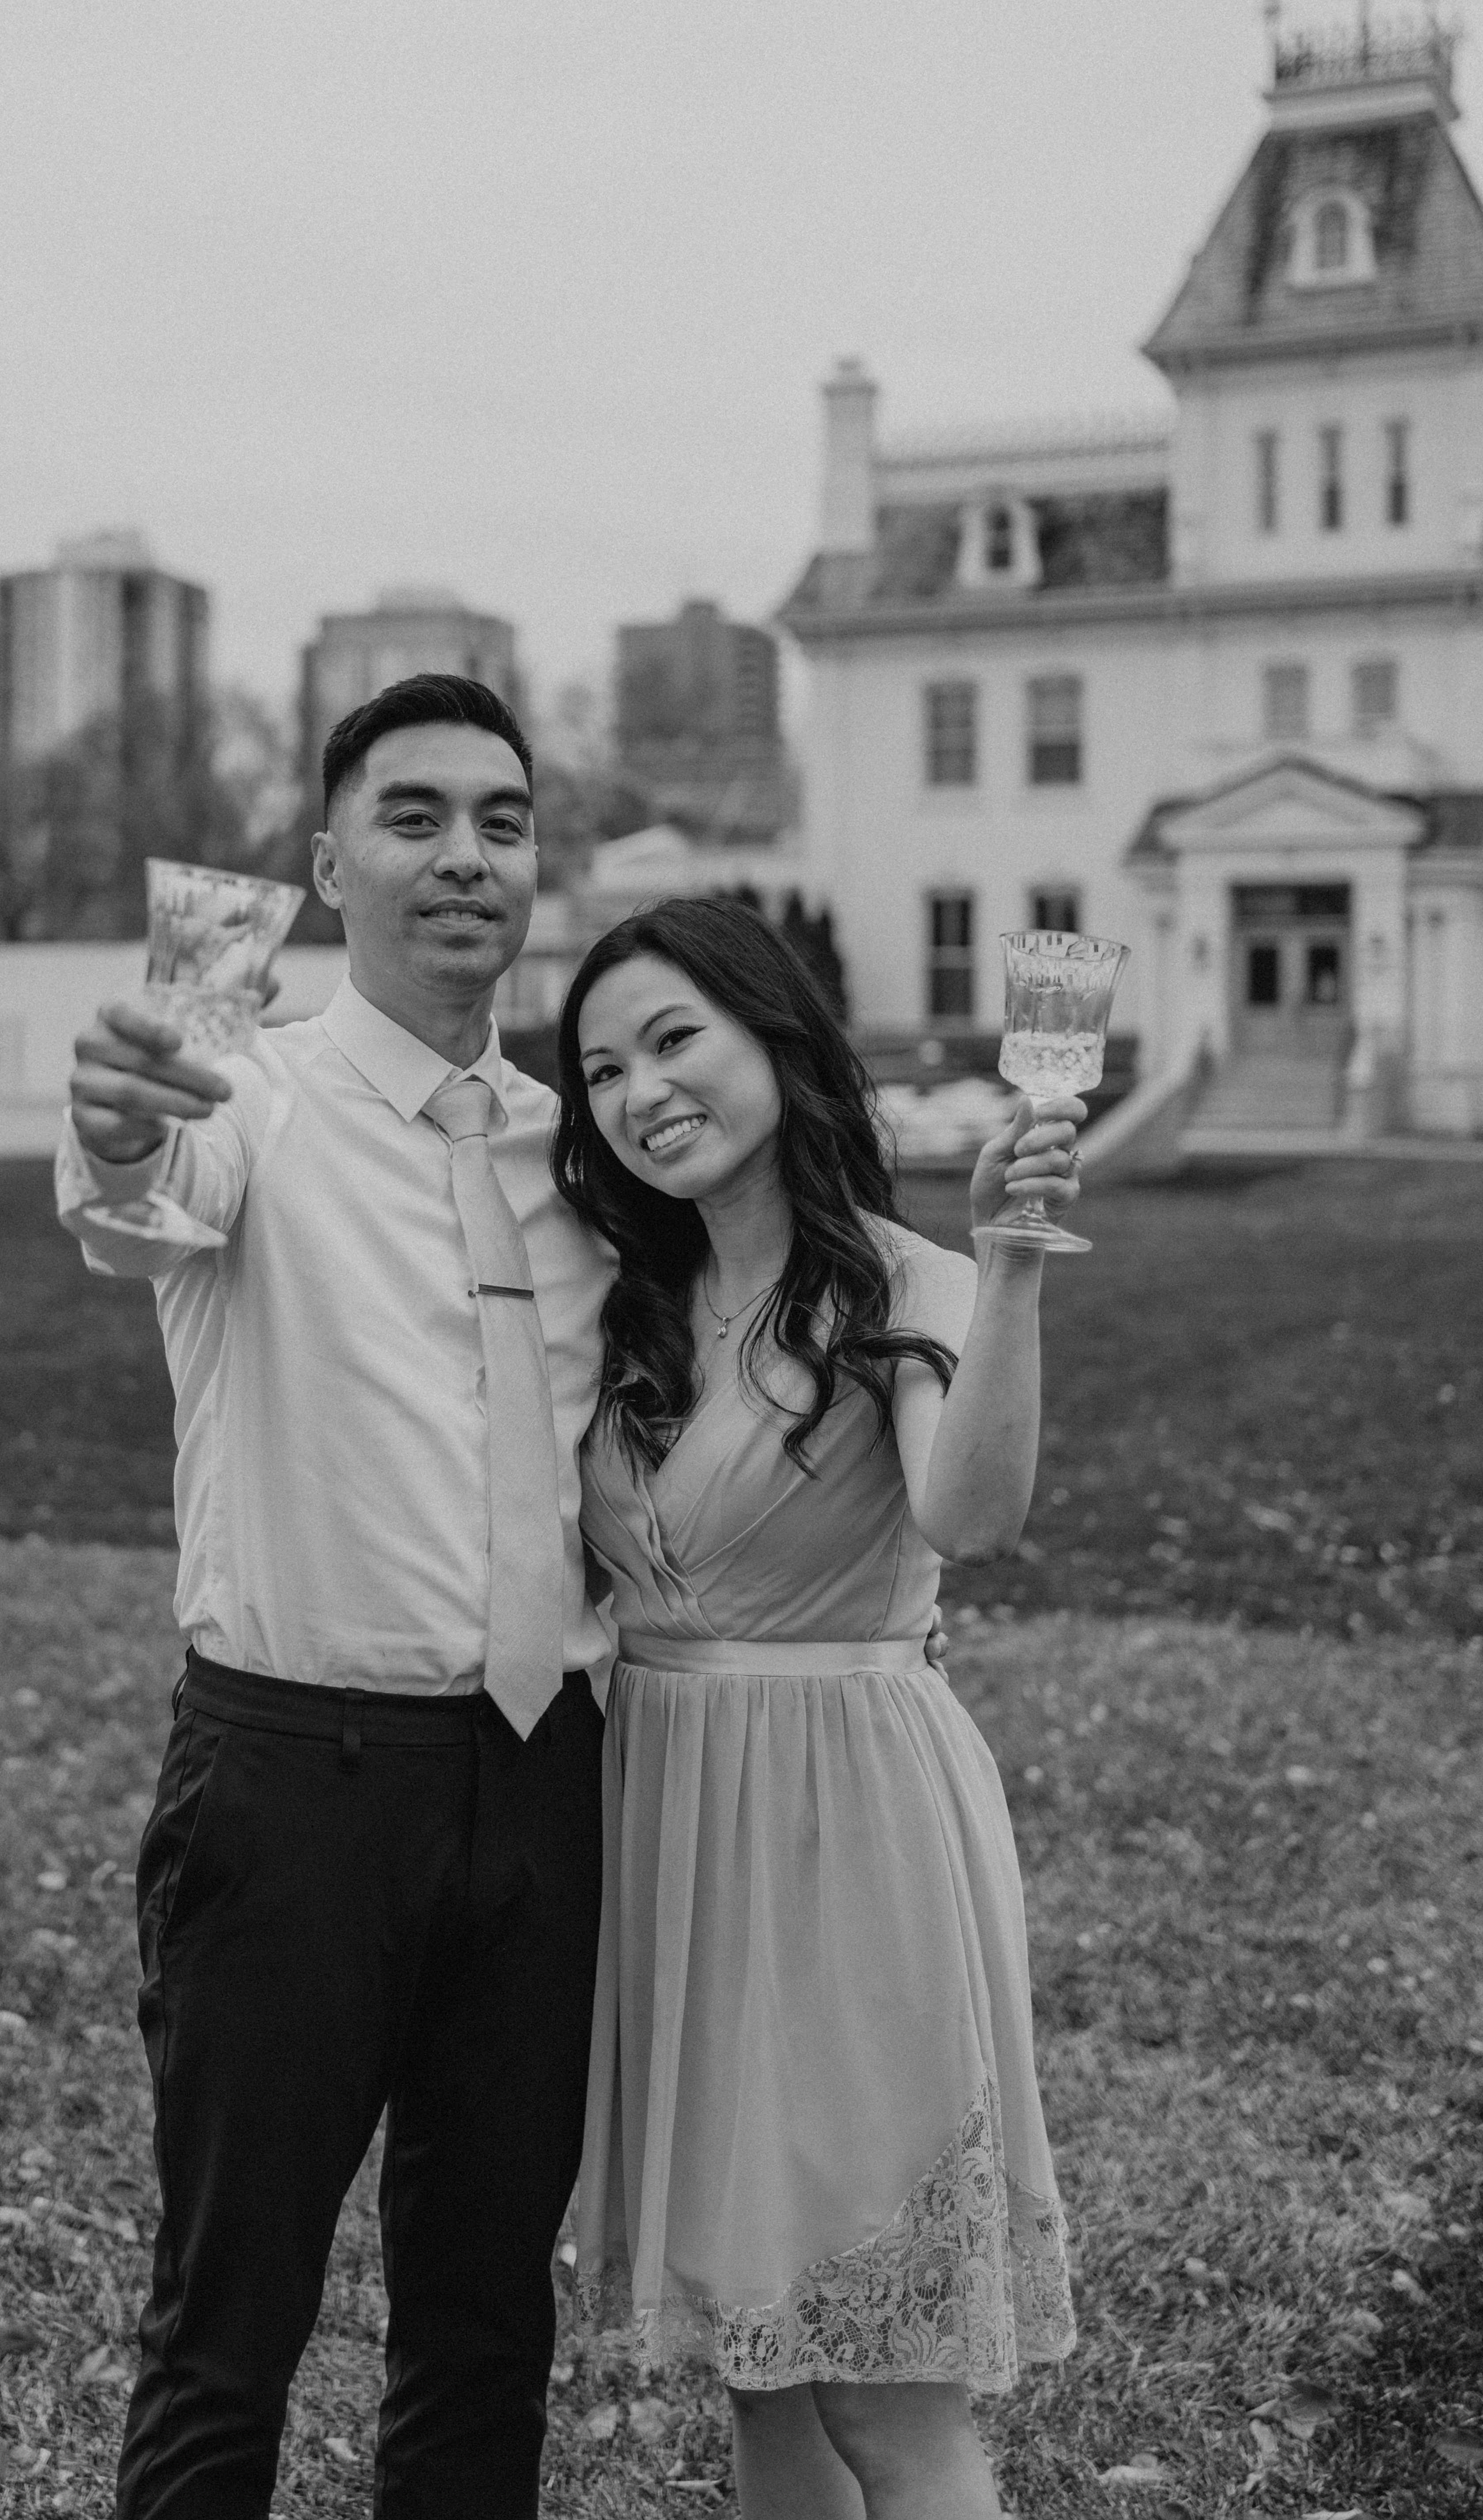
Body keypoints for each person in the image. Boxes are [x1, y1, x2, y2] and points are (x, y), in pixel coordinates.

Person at [56, 674, 616, 2520]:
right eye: (414, 814)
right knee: (229, 2325)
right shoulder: (252, 1097)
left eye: (502, 821)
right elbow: (138, 1189)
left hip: (544, 1784)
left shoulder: (581, 1153)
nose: (465, 854)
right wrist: (123, 1117)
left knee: (481, 2334)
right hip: (295, 1787)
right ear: (323, 864)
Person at [552, 897, 1081, 2520]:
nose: (640, 1092)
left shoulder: (906, 1279)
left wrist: (1006, 1269)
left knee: (884, 2389)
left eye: (673, 1040)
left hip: (845, 1836)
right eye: (601, 1070)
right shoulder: (623, 1301)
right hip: (669, 1832)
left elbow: (972, 1517)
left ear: (775, 1036)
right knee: (763, 2372)